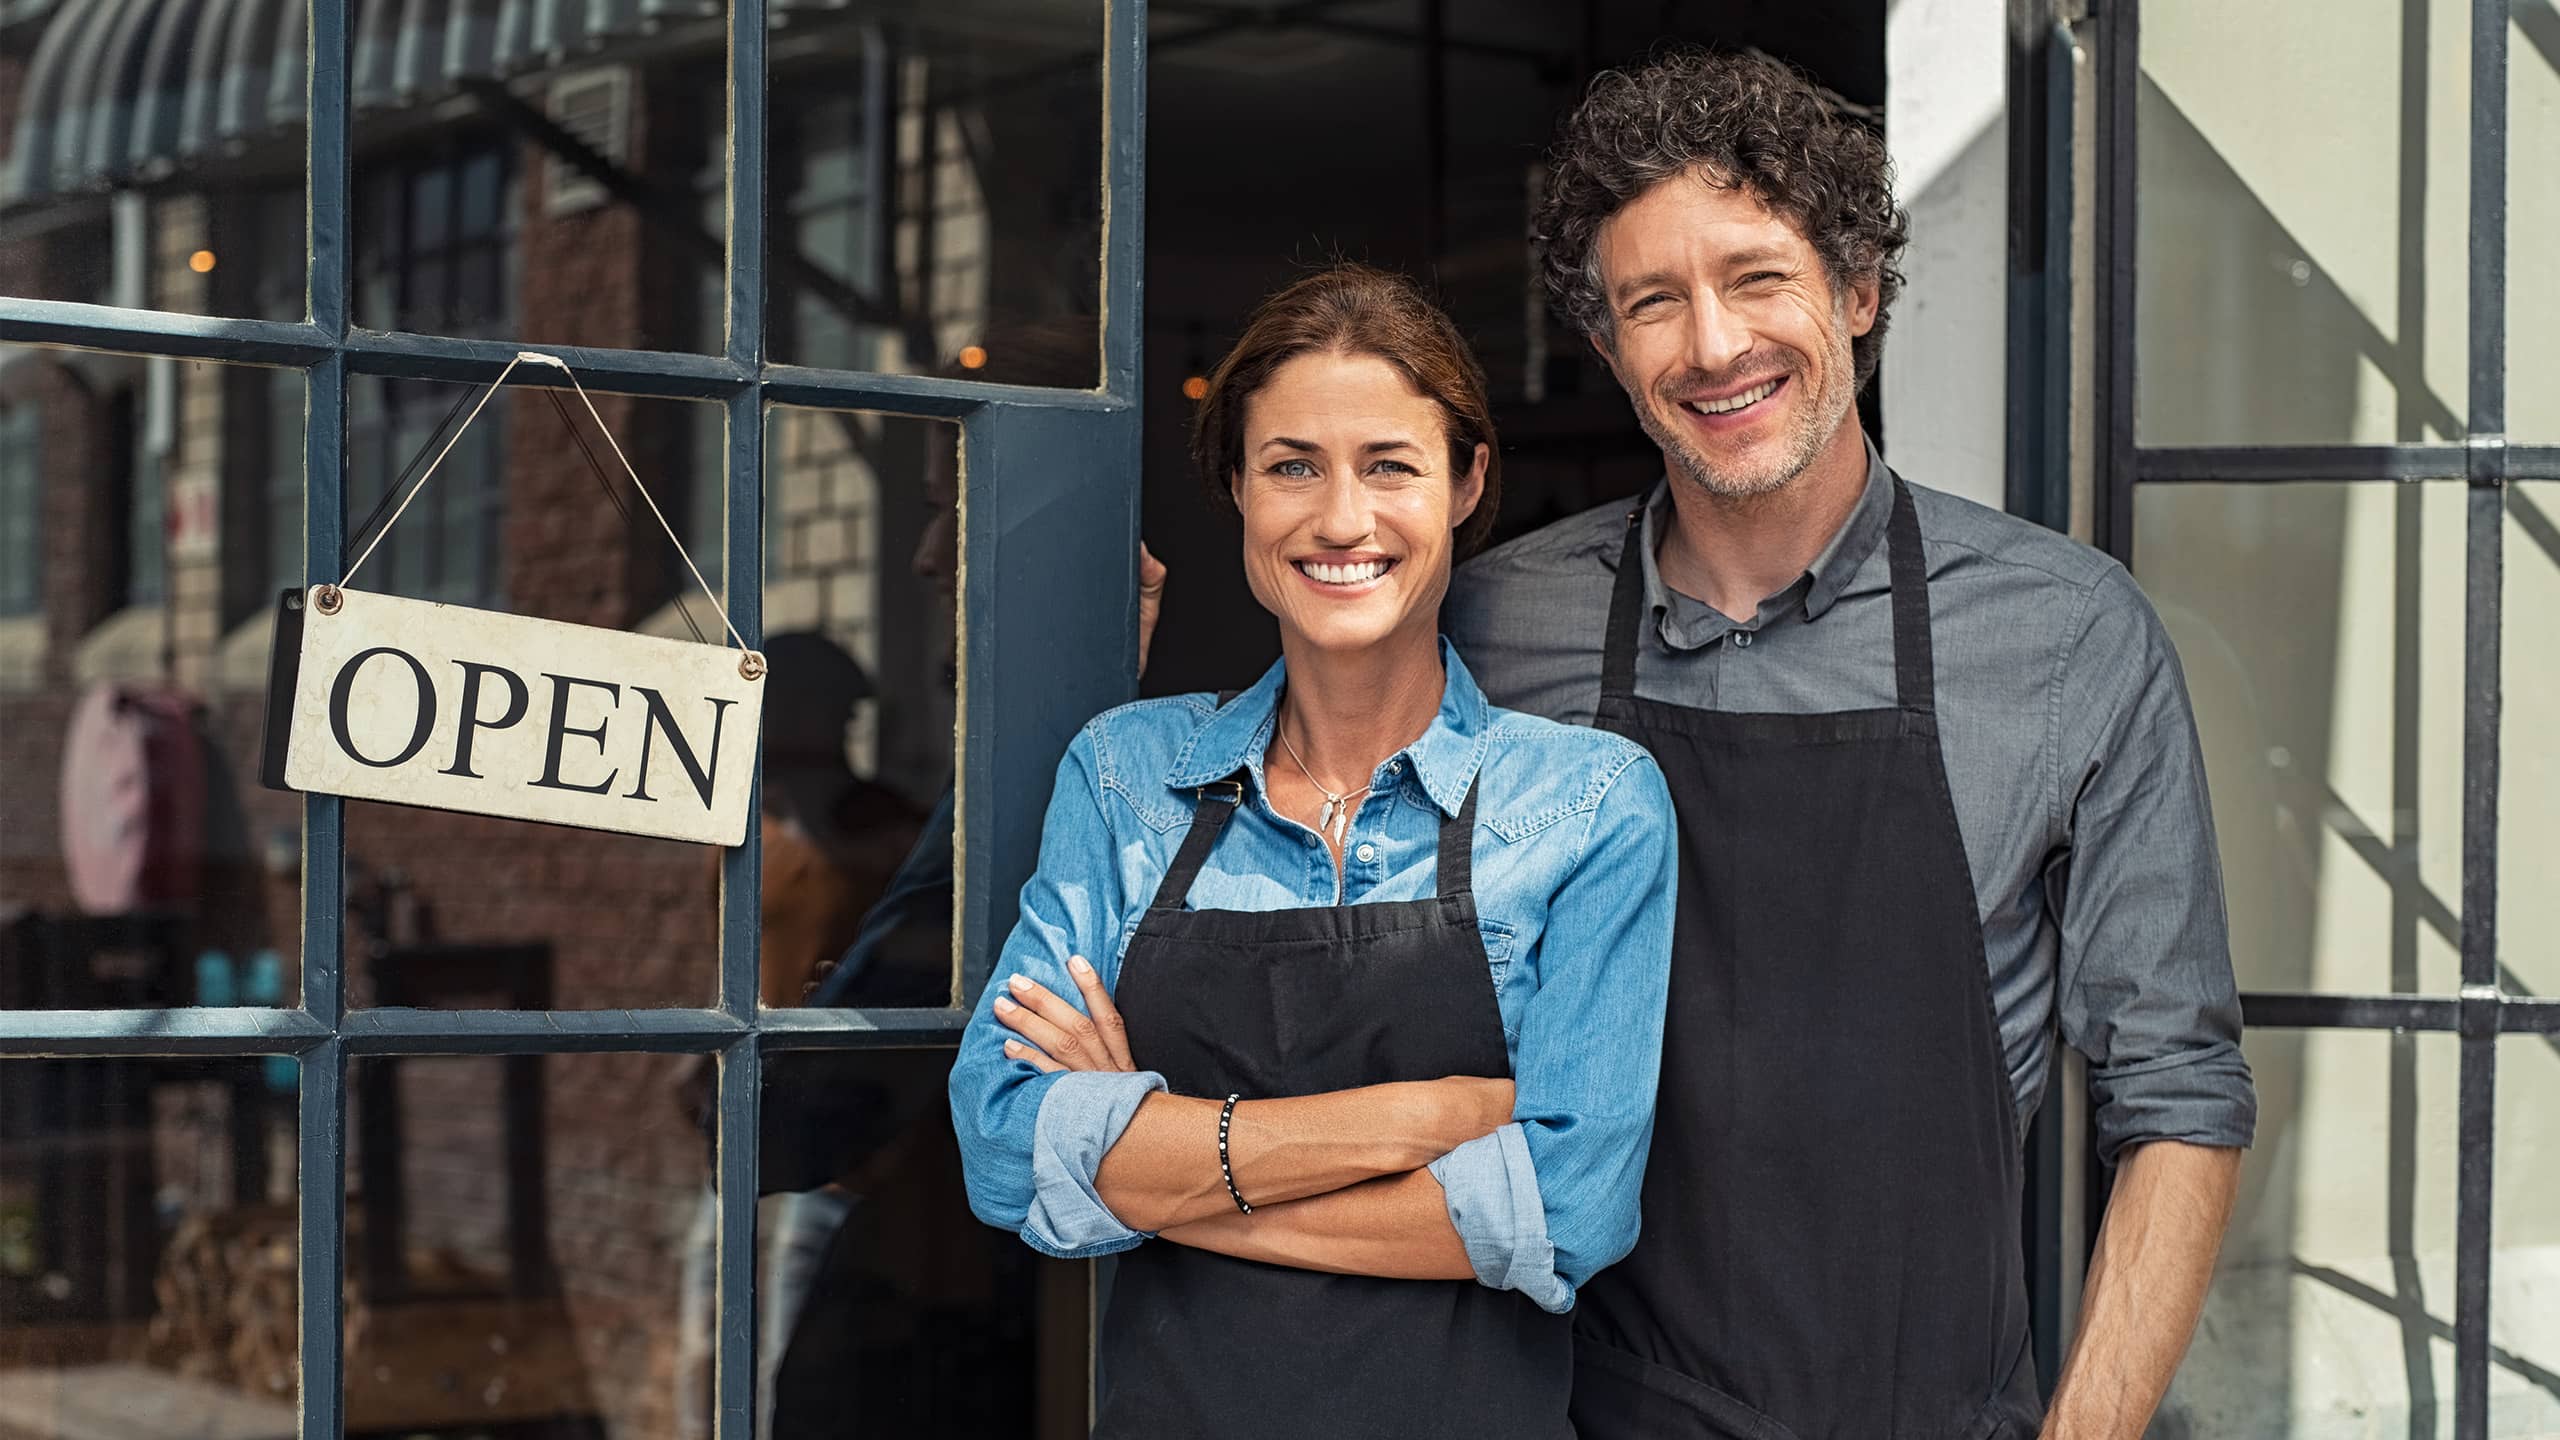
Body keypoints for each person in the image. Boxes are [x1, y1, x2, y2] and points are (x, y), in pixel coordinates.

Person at [1443, 49, 2257, 1440]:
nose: (1712, 346)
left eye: (1758, 278)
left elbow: (2176, 1092)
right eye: (1655, 302)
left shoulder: (2063, 635)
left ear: (1859, 291)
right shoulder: (1495, 625)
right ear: (1609, 349)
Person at [948, 263, 1677, 1440]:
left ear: (1466, 481)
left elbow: (1566, 1210)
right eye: (1292, 466)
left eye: (1389, 465)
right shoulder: (1129, 775)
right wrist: (1426, 1120)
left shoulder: (1586, 804)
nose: (1341, 520)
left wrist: (1154, 1177)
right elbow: (1001, 1141)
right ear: (1235, 486)